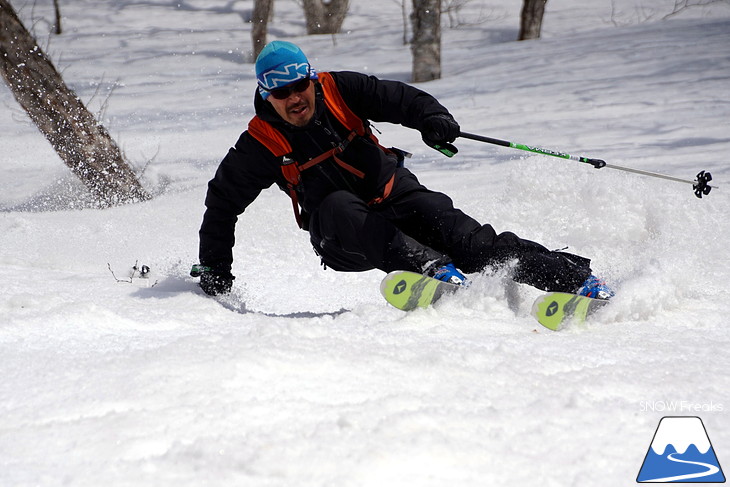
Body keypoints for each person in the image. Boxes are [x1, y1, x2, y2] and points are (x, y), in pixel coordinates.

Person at [193, 40, 614, 301]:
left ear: (311, 79)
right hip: (343, 236)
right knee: (338, 203)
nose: (294, 99)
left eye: (299, 86)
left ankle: (574, 279)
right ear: (267, 96)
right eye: (280, 94)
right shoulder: (259, 143)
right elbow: (222, 204)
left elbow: (400, 98)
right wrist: (215, 268)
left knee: (471, 242)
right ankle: (430, 269)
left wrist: (433, 119)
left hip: (395, 195)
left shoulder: (340, 88)